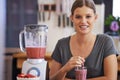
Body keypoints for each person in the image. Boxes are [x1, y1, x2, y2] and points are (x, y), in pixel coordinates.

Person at [49, 0, 118, 80]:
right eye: (78, 17)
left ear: (95, 17)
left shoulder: (106, 42)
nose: (83, 21)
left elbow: (111, 78)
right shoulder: (61, 44)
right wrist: (65, 69)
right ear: (72, 18)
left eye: (88, 16)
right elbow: (51, 78)